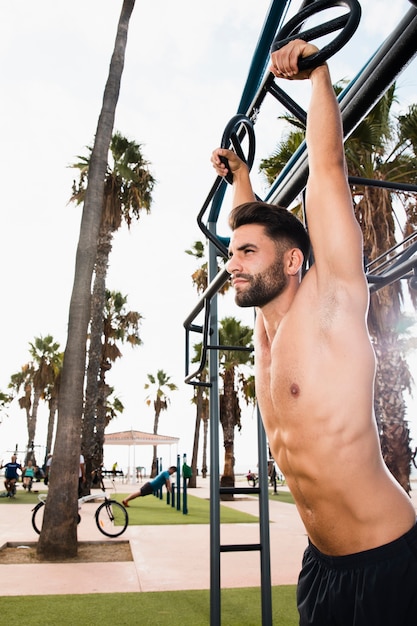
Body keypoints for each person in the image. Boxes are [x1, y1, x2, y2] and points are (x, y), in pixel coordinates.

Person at [211, 39, 417, 626]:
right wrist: (241, 179)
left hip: (387, 564)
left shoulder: (331, 305)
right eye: (235, 255)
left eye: (247, 254)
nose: (234, 264)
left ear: (295, 263)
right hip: (321, 569)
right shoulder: (267, 327)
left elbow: (326, 170)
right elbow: (253, 234)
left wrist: (318, 73)